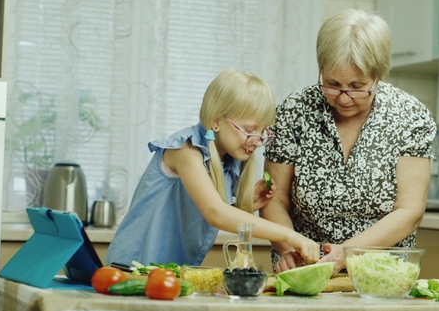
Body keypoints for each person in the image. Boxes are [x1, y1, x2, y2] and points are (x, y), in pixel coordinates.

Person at [260, 8, 437, 274]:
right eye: (332, 84)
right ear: (321, 69)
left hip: (382, 275)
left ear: (379, 74)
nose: (343, 98)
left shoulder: (410, 116)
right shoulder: (295, 111)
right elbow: (273, 199)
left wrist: (346, 253)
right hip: (303, 268)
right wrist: (288, 248)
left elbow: (410, 211)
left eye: (357, 87)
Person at [105, 69, 320, 267]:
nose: (257, 140)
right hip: (130, 268)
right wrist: (289, 235)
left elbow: (206, 210)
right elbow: (215, 212)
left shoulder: (228, 160)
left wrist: (244, 205)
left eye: (263, 132)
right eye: (249, 129)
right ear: (216, 122)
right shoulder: (185, 150)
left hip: (168, 274)